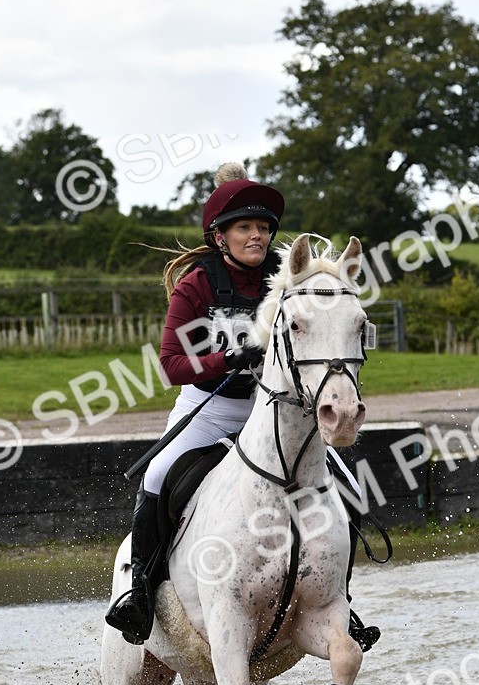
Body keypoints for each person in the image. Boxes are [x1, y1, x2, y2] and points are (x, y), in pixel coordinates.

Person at [105, 162, 380, 654]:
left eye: (263, 227)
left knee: (349, 485)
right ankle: (139, 593)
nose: (257, 235)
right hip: (209, 410)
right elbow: (171, 364)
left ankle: (340, 599)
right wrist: (228, 357)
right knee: (157, 477)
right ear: (220, 236)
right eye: (245, 227)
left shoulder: (287, 275)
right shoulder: (197, 285)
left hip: (272, 413)